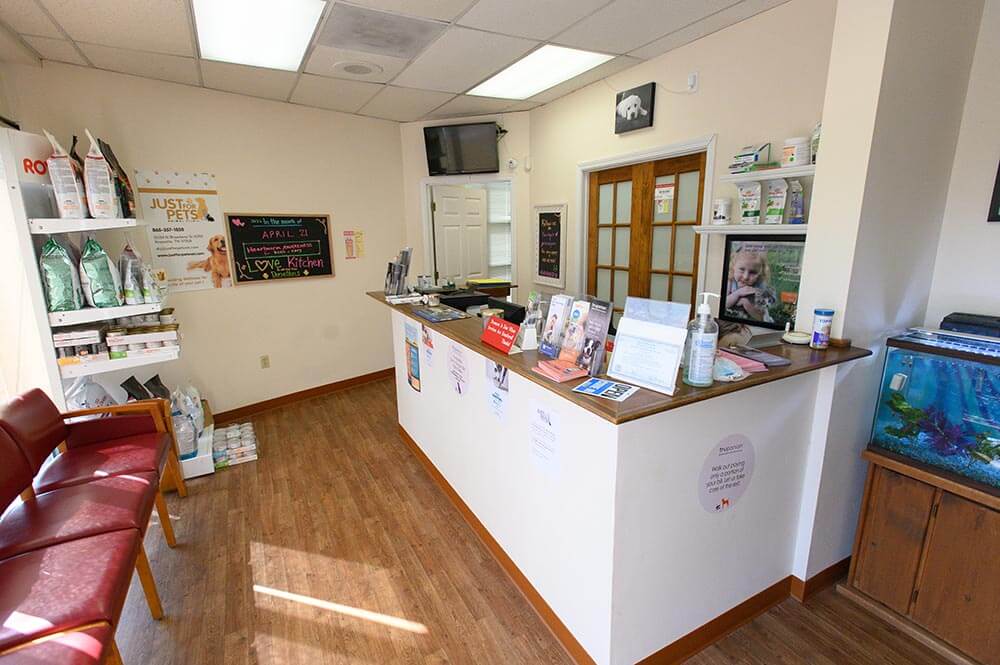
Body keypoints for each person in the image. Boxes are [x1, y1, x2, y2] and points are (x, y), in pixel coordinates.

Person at [725, 247, 776, 322]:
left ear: (760, 273)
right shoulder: (730, 280)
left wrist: (745, 302)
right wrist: (738, 293)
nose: (745, 277)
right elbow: (724, 304)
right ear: (733, 267)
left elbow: (762, 313)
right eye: (742, 269)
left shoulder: (759, 284)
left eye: (753, 272)